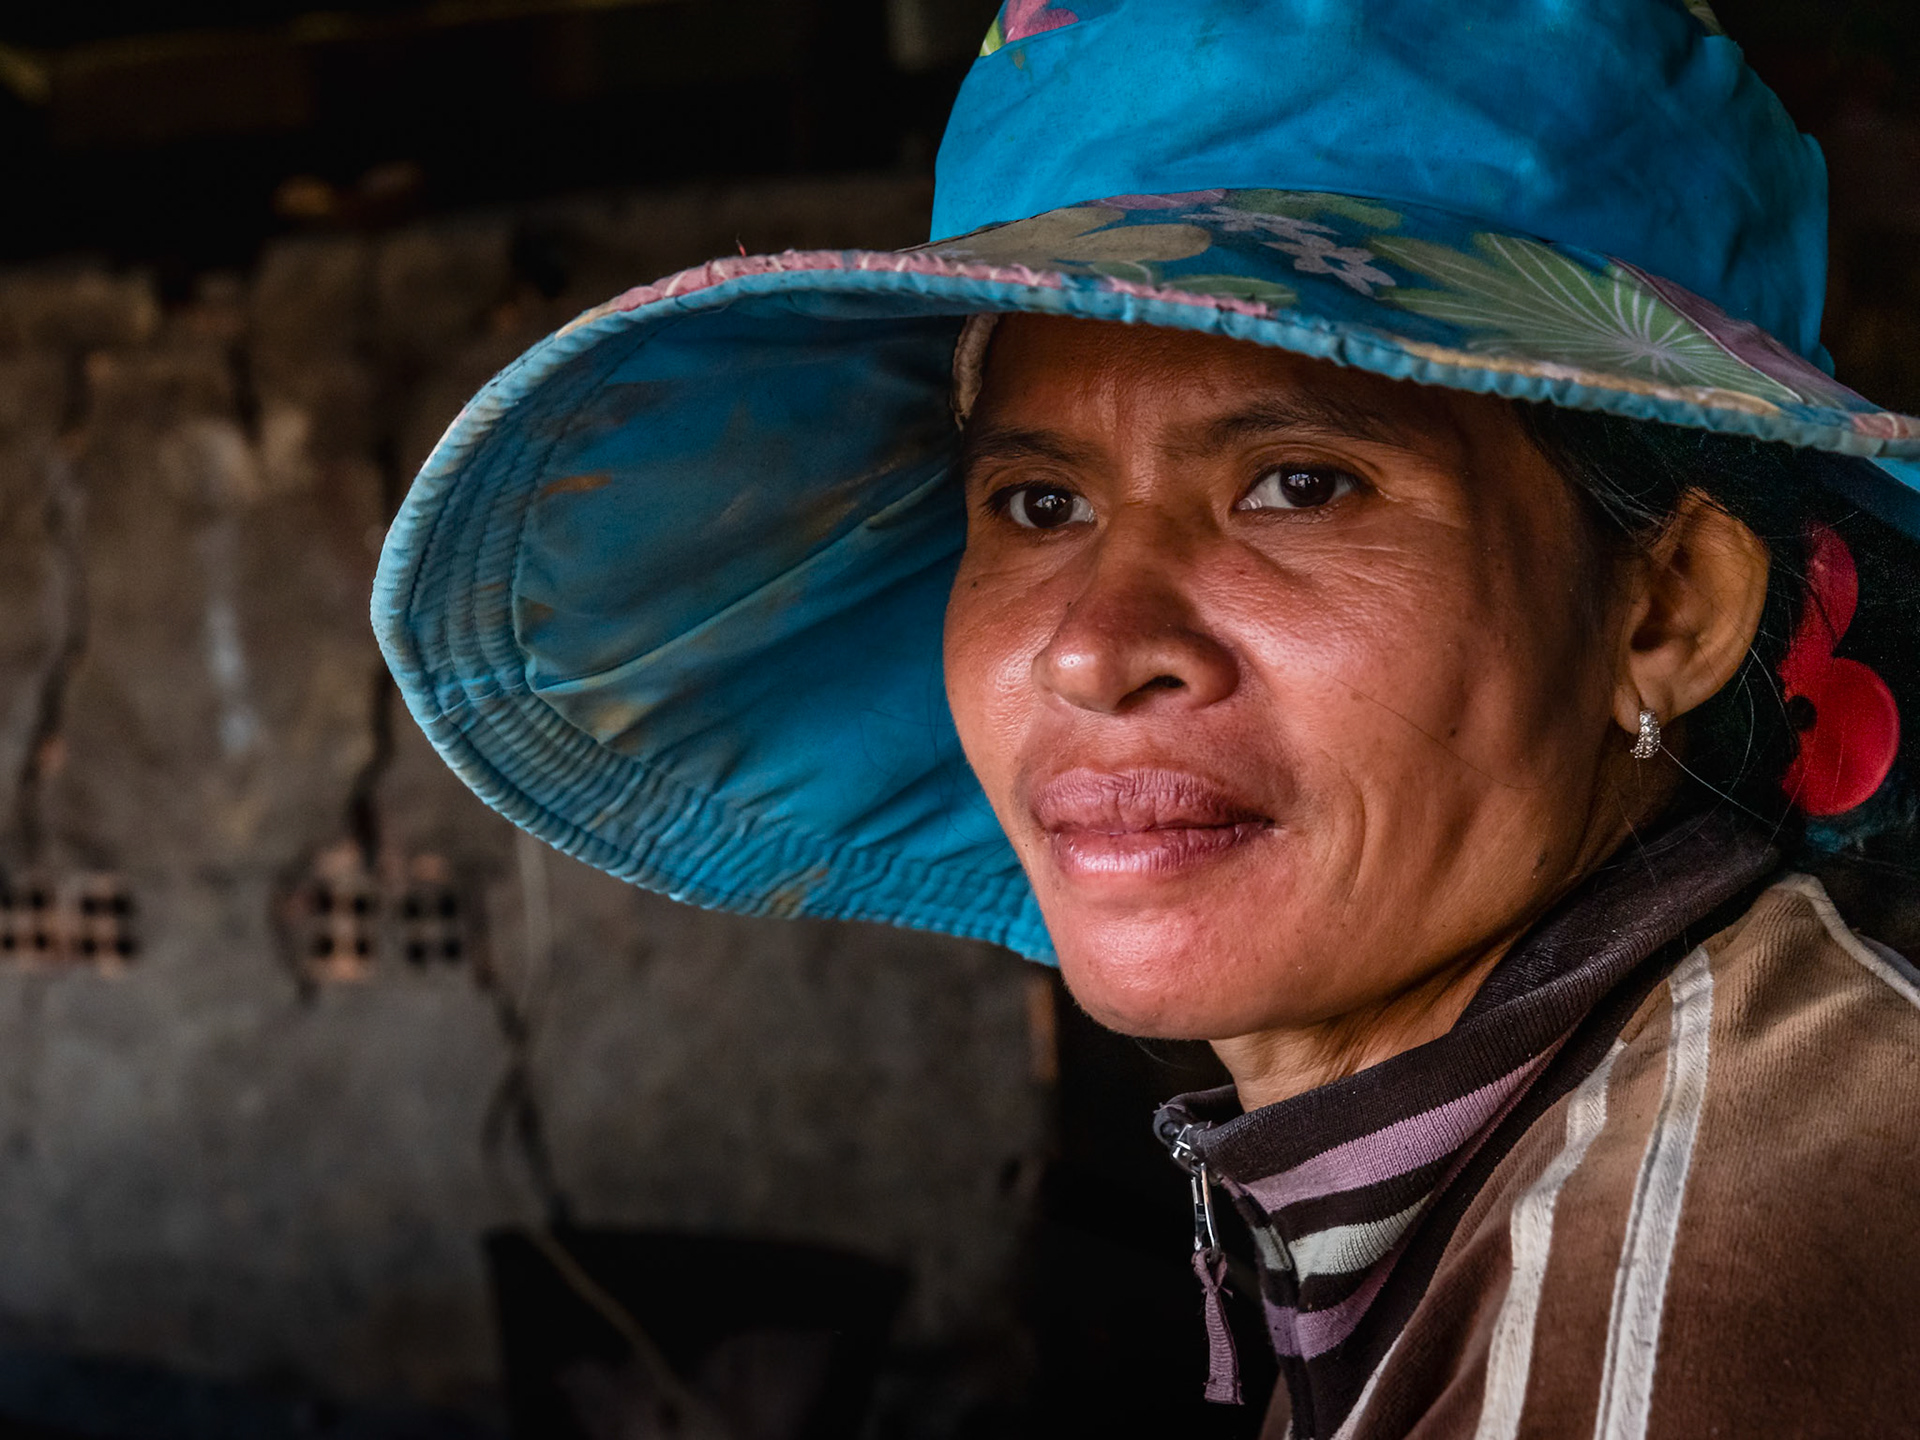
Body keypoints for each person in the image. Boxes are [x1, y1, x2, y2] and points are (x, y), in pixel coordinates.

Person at [373, 0, 1920, 1432]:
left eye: (1300, 485)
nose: (1096, 651)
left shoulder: (1687, 1284)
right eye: (1038, 502)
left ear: (1669, 609)